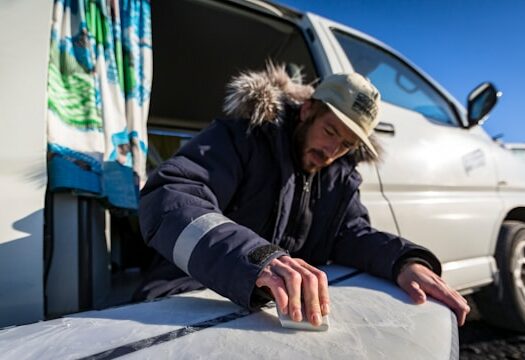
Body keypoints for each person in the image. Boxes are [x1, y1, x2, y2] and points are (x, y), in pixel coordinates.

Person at [136, 63, 470, 327]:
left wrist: (403, 261)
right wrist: (257, 259)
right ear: (308, 110)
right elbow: (169, 195)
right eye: (330, 132)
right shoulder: (243, 136)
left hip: (267, 313)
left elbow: (351, 234)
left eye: (347, 145)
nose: (331, 151)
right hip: (184, 295)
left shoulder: (338, 179)